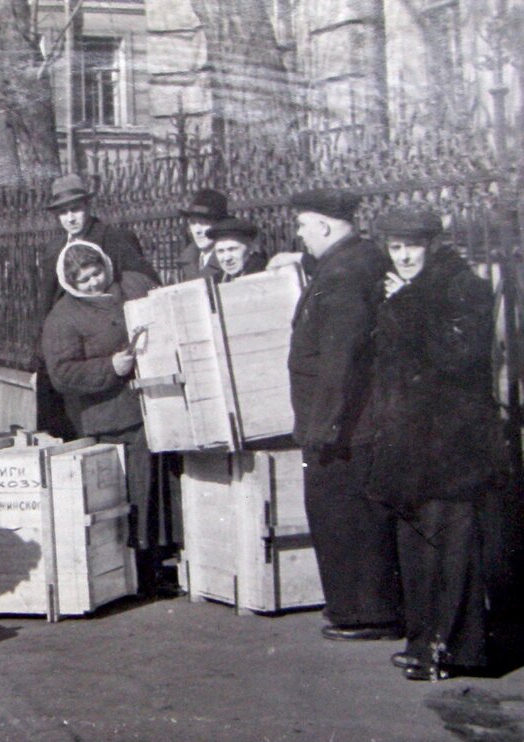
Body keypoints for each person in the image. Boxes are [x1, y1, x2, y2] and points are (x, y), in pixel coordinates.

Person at [365, 207, 502, 681]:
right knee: (419, 545)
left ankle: (454, 649)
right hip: (412, 440)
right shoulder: (404, 289)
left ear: (432, 245)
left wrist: (407, 306)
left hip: (450, 442)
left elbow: (458, 356)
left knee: (450, 545)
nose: (403, 256)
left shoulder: (461, 286)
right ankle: (424, 641)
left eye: (412, 246)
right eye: (396, 247)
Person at [282, 188, 403, 641]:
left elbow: (341, 357)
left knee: (345, 519)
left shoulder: (343, 274)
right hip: (354, 423)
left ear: (326, 226)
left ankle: (364, 614)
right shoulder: (355, 261)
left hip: (344, 428)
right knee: (355, 518)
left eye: (302, 226)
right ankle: (364, 608)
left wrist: (323, 427)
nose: (300, 235)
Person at [40, 241, 163, 593]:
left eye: (96, 273)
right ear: (69, 282)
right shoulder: (63, 318)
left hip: (150, 405)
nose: (94, 283)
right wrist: (110, 366)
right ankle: (135, 574)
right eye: (84, 279)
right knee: (126, 496)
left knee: (153, 490)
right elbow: (62, 373)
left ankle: (153, 564)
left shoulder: (132, 285)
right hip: (109, 419)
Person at [35, 174, 160, 440]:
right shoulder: (55, 248)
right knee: (66, 433)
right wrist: (37, 362)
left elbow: (145, 287)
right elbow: (44, 304)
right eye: (63, 212)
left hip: (107, 352)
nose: (71, 218)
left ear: (88, 207)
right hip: (65, 349)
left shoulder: (113, 239)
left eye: (76, 209)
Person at [175, 189, 229, 283]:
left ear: (220, 225)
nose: (197, 231)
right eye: (193, 223)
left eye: (204, 223)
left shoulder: (229, 261)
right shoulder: (185, 262)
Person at [205, 218, 268, 282]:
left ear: (250, 248)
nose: (227, 258)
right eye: (220, 251)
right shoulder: (217, 280)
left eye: (232, 249)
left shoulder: (265, 274)